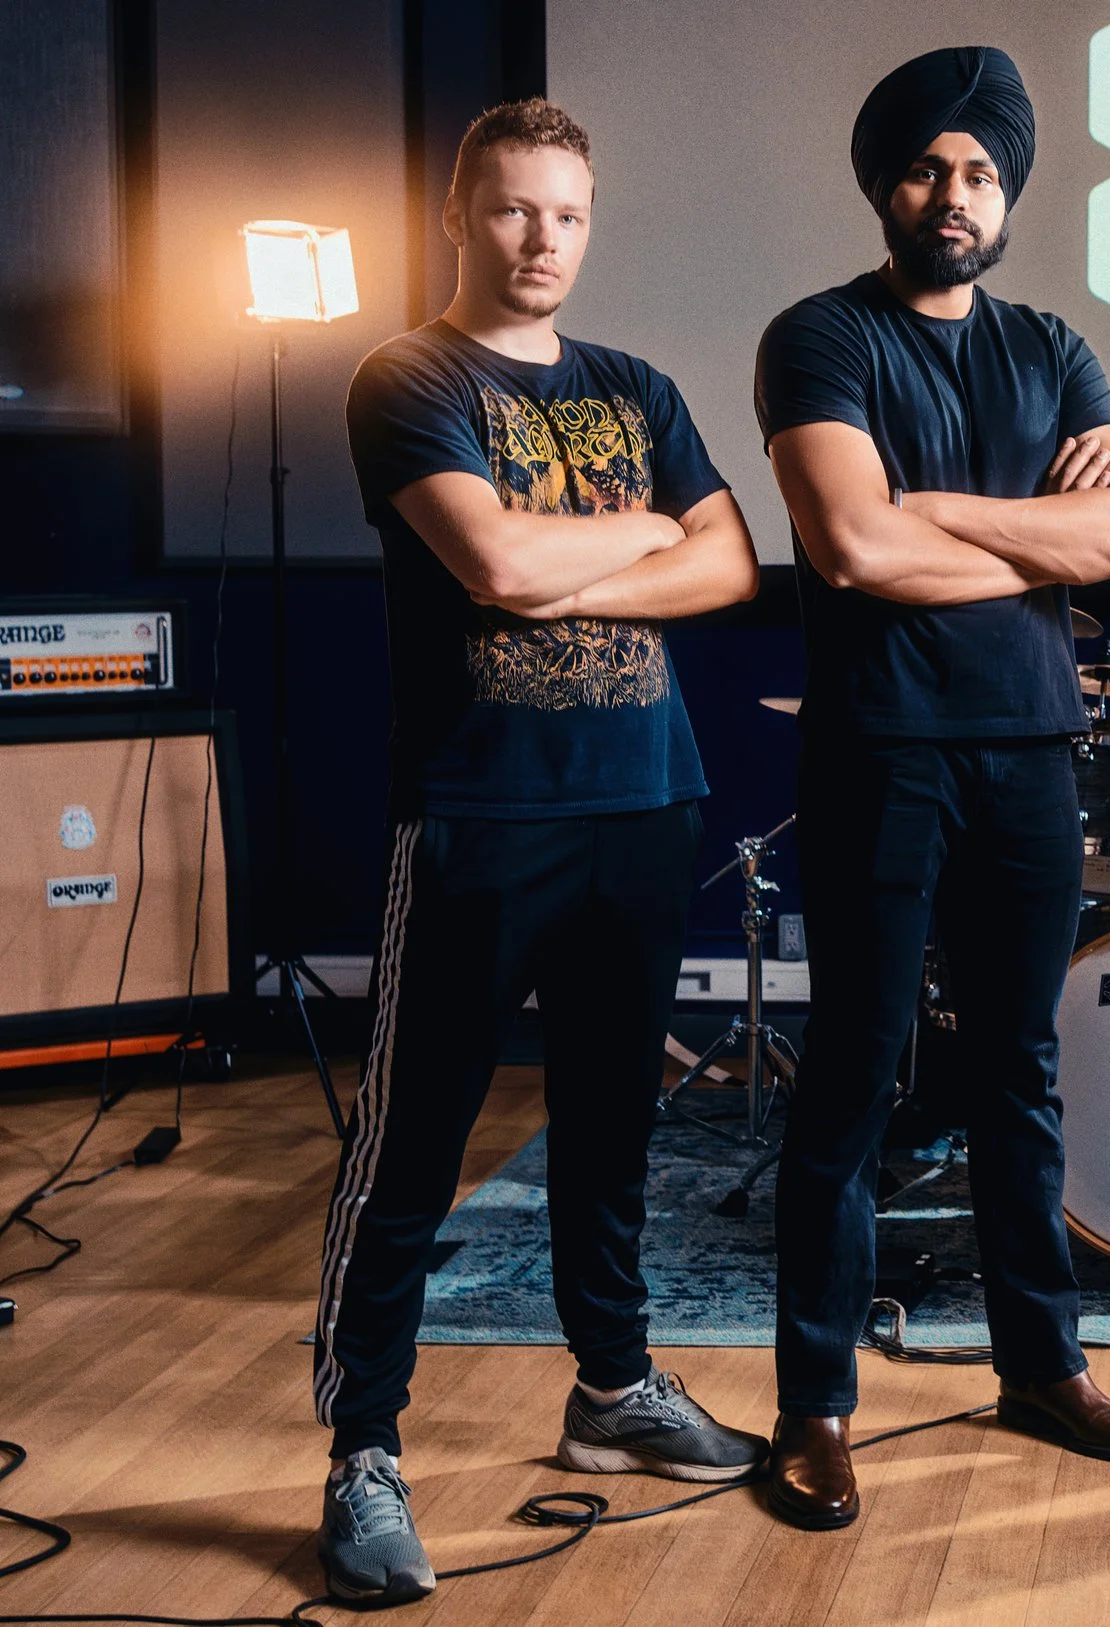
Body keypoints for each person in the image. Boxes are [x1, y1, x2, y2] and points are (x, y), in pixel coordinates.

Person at [318, 98, 765, 1604]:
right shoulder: (406, 376)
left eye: (566, 215)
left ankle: (613, 1384)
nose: (541, 241)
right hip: (478, 814)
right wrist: (636, 536)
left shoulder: (635, 382)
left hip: (644, 801)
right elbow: (496, 564)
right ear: (461, 215)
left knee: (612, 1129)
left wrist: (595, 553)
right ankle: (364, 1451)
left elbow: (734, 562)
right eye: (513, 211)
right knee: (412, 1151)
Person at [752, 46, 1110, 1532]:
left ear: (1009, 196)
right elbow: (853, 549)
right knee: (854, 1076)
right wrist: (1022, 534)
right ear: (886, 184)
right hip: (881, 748)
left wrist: (933, 509)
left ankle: (1040, 1365)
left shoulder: (1055, 347)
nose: (955, 193)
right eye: (929, 167)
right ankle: (814, 1404)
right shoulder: (820, 338)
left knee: (1019, 1073)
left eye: (981, 172)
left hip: (1030, 749)